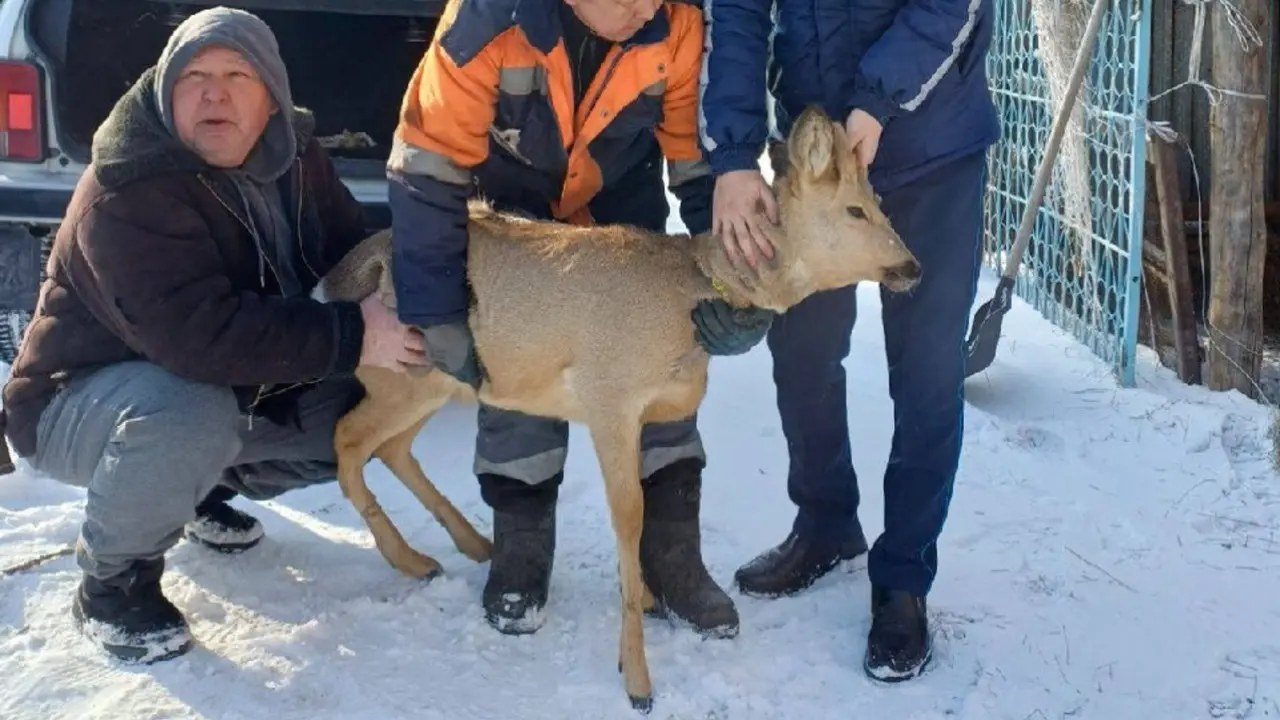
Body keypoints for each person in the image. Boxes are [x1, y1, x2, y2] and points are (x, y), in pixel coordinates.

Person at [0, 7, 427, 663]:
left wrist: (412, 297)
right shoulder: (128, 187)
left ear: (272, 95)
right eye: (194, 75)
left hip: (198, 380)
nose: (214, 93)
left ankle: (199, 491)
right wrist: (351, 333)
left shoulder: (294, 156)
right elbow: (195, 338)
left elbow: (350, 248)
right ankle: (113, 585)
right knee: (190, 411)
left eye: (237, 74)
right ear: (167, 89)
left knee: (357, 411)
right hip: (76, 402)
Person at [387, 0, 774, 637]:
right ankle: (521, 548)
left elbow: (701, 168)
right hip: (513, 230)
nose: (649, 7)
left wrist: (735, 284)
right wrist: (438, 313)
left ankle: (672, 555)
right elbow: (427, 164)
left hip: (622, 224)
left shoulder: (674, 20)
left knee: (666, 372)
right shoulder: (486, 22)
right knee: (516, 384)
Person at [699, 0, 1001, 681]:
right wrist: (735, 154)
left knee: (925, 371)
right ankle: (826, 522)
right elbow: (737, 14)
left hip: (932, 154)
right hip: (818, 167)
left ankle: (903, 580)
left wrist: (876, 103)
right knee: (802, 352)